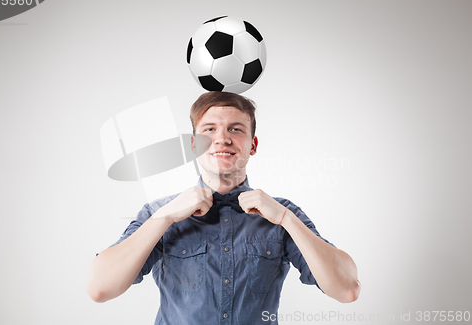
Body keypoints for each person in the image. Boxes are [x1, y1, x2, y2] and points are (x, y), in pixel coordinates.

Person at [87, 91, 360, 324]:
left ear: (252, 145)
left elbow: (347, 290)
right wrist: (165, 217)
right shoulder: (158, 213)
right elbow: (100, 288)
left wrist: (287, 219)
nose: (222, 139)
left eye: (236, 129)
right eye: (209, 129)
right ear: (194, 145)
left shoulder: (282, 214)